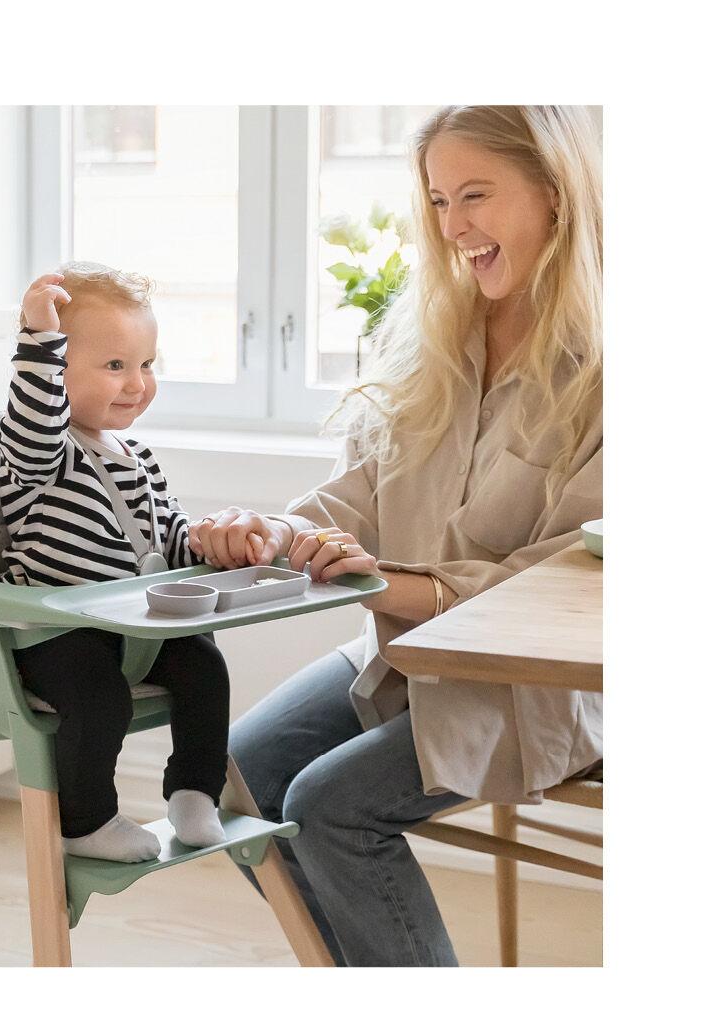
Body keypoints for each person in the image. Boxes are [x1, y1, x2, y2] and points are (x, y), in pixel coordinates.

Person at [188, 106, 603, 966]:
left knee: (331, 807)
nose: (454, 228)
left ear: (556, 193)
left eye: (476, 195)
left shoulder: (614, 368)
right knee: (237, 778)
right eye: (440, 201)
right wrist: (277, 532)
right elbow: (356, 498)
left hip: (542, 686)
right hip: (406, 653)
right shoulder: (432, 342)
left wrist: (379, 582)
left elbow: (569, 580)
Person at [0, 262, 231, 863]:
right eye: (114, 366)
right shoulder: (41, 451)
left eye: (146, 364)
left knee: (205, 665)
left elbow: (165, 538)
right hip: (55, 633)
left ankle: (194, 793)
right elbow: (35, 413)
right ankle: (87, 822)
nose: (137, 384)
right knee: (100, 698)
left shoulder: (137, 454)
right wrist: (39, 337)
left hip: (132, 628)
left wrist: (205, 543)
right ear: (57, 372)